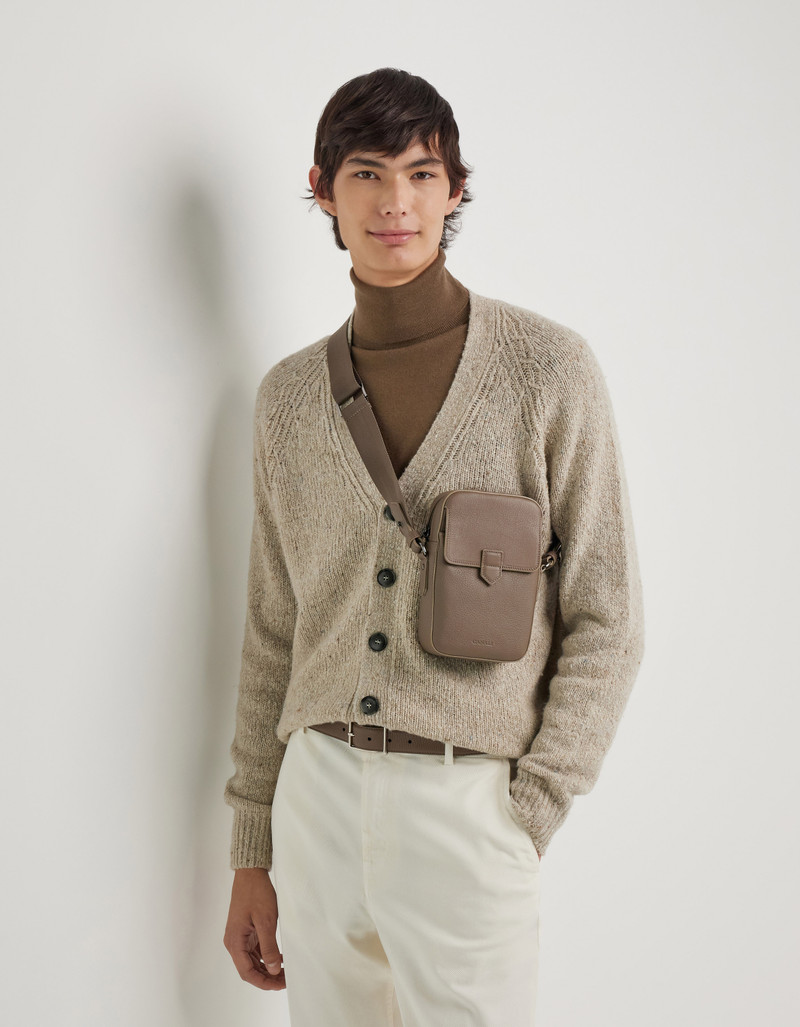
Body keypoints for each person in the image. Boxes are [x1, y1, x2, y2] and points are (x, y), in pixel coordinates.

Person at [222, 67, 645, 1025]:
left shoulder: (548, 370)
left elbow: (608, 614)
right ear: (324, 190)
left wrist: (529, 806)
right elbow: (272, 627)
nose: (395, 202)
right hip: (318, 798)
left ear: (455, 190)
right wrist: (253, 846)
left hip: (469, 806)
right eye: (367, 173)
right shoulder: (287, 399)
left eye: (421, 173)